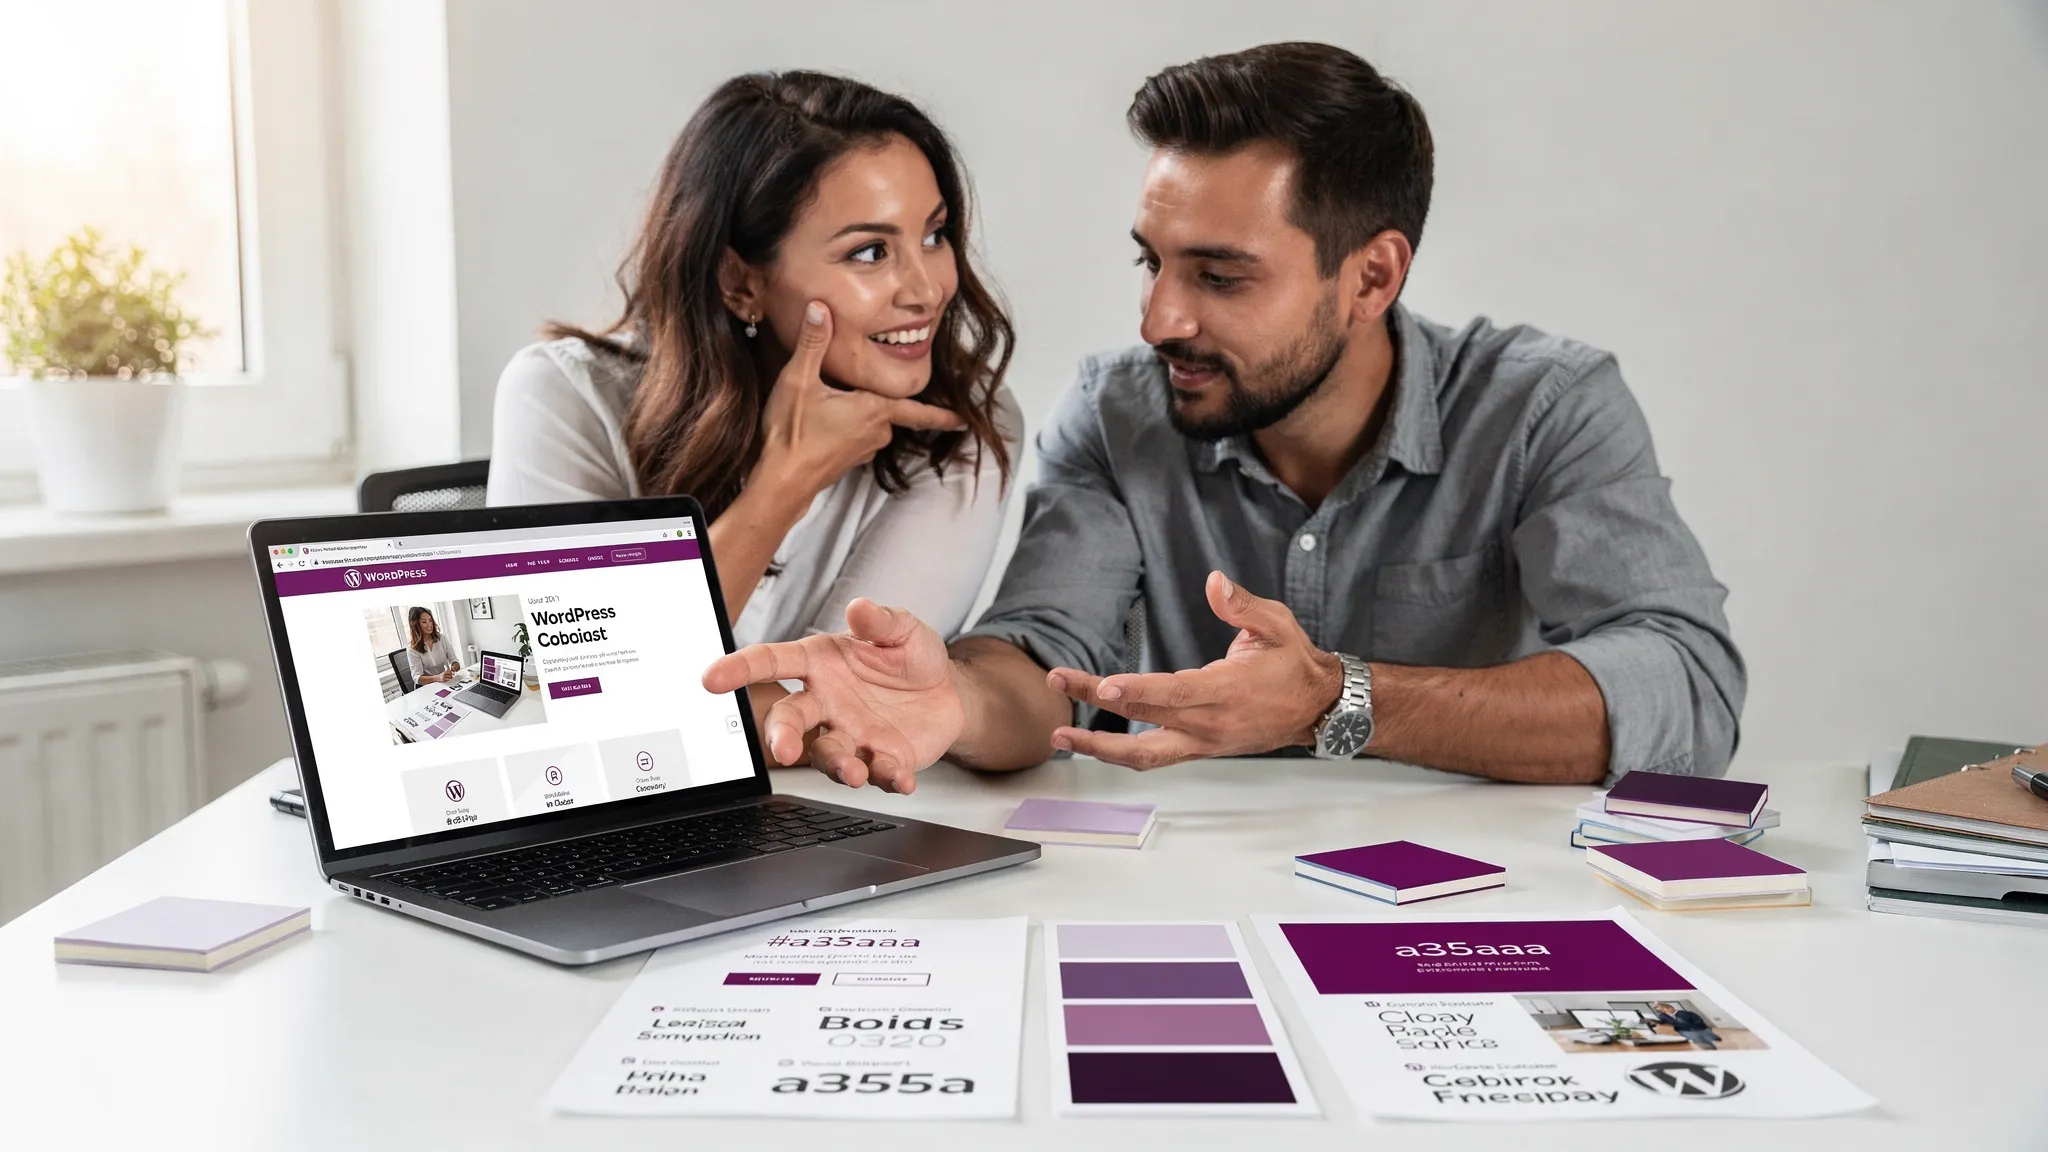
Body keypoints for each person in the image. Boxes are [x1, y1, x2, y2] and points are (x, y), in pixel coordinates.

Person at [702, 43, 1744, 793]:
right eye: (1150, 262)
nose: (1158, 318)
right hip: (1190, 902)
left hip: (1480, 902)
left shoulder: (1541, 406)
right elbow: (1040, 656)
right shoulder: (1118, 411)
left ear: (1371, 275)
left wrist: (1335, 699)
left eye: (1220, 276)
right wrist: (956, 704)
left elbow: (1683, 683)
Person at [488, 71, 1019, 742]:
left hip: (819, 819)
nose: (926, 289)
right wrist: (782, 485)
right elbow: (572, 709)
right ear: (740, 281)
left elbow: (842, 713)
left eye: (935, 236)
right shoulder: (563, 396)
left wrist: (659, 693)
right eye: (870, 252)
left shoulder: (966, 429)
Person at [404, 607, 460, 687]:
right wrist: (437, 678)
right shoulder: (412, 648)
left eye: (430, 620)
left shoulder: (441, 638)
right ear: (415, 624)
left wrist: (453, 668)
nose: (429, 625)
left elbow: (455, 661)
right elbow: (417, 678)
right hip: (428, 687)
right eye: (424, 622)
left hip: (446, 683)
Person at [1652, 1002, 1721, 1049]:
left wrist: (1696, 1026)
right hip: (1684, 1030)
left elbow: (1698, 1020)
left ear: (1670, 1008)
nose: (1665, 1012)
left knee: (1706, 1035)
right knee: (1696, 1038)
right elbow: (1665, 1022)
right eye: (1662, 1011)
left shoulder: (1685, 1013)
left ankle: (1712, 1038)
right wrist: (1655, 1022)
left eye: (1666, 1009)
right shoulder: (1664, 1016)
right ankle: (1708, 1048)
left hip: (1697, 1028)